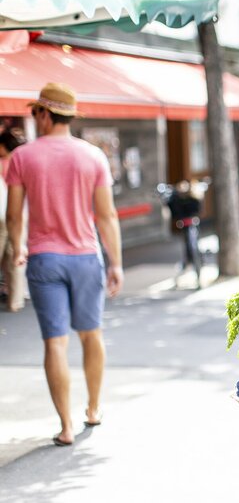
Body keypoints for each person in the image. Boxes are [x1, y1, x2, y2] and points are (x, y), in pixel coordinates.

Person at [5, 82, 124, 446]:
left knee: (55, 344)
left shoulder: (23, 157)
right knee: (92, 336)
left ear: (44, 114)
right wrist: (115, 262)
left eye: (34, 112)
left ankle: (66, 427)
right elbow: (106, 216)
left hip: (44, 259)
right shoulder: (92, 157)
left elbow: (13, 216)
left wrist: (18, 246)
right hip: (86, 258)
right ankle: (92, 408)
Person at [162, 179, 206, 289]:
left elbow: (197, 207)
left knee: (194, 250)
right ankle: (184, 276)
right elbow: (174, 210)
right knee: (188, 253)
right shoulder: (176, 199)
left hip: (193, 227)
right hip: (185, 228)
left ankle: (198, 276)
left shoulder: (194, 198)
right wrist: (171, 197)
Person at [0, 127, 27, 312]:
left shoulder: (3, 163)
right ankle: (15, 301)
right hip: (20, 215)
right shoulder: (22, 162)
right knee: (15, 257)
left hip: (2, 215)